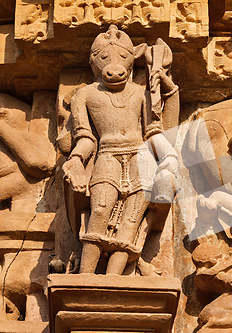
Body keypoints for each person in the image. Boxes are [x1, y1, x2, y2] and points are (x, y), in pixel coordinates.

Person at [62, 25, 177, 275]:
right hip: (107, 156)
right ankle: (85, 276)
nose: (114, 65)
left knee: (132, 220)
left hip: (140, 158)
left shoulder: (142, 93)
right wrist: (76, 161)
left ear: (132, 60)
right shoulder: (85, 95)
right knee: (100, 210)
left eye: (123, 57)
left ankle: (115, 278)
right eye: (104, 58)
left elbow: (153, 132)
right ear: (94, 62)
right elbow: (86, 138)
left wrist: (167, 156)